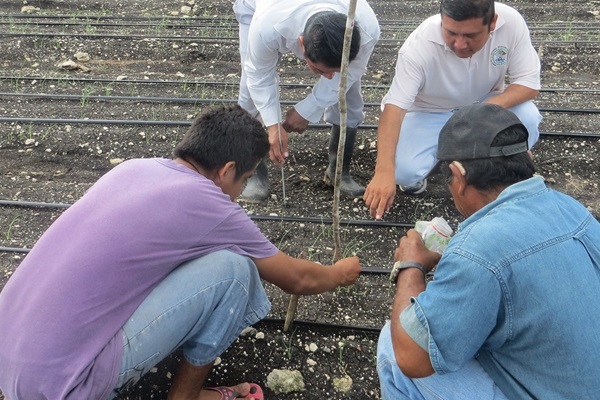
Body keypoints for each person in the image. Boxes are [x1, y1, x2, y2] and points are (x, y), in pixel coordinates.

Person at [0, 105, 361, 400]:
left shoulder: (134, 169)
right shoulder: (209, 203)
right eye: (246, 178)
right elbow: (297, 278)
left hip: (9, 357)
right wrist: (341, 273)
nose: (240, 191)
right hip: (61, 388)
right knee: (235, 270)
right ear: (227, 171)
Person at [376, 103, 600, 399]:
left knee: (393, 346)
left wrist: (410, 267)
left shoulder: (478, 251)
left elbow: (412, 357)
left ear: (459, 174)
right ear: (526, 158)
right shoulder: (572, 209)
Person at [364, 0, 543, 220]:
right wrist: (383, 172)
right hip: (430, 111)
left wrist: (482, 112)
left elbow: (528, 83)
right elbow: (395, 108)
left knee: (527, 116)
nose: (459, 44)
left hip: (483, 101)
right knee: (403, 172)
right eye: (451, 33)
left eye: (470, 36)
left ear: (493, 23)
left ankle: (504, 173)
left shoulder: (511, 23)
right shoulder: (419, 47)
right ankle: (444, 166)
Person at [233, 0, 380, 201]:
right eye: (320, 70)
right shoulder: (267, 25)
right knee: (248, 93)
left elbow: (349, 76)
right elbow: (258, 75)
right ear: (301, 43)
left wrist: (308, 109)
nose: (328, 77)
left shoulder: (367, 27)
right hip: (257, 7)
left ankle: (338, 171)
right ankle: (253, 173)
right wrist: (273, 125)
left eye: (334, 71)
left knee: (349, 95)